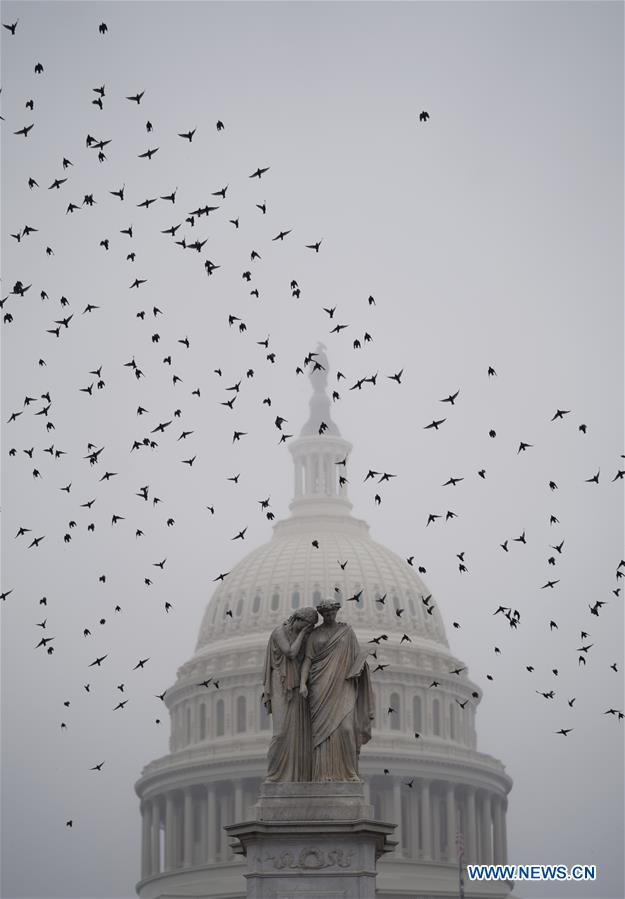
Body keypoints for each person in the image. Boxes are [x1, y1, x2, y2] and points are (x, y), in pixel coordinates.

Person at [299, 599, 375, 782]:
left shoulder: (347, 632)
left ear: (336, 612)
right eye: (325, 613)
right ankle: (322, 774)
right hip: (320, 686)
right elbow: (307, 660)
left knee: (347, 729)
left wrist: (360, 667)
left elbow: (356, 657)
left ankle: (349, 772)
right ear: (321, 614)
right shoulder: (315, 635)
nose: (329, 616)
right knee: (322, 734)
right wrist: (302, 683)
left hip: (344, 684)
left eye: (332, 612)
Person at [262, 606, 318, 782]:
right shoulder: (279, 632)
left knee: (297, 735)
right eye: (306, 625)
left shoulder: (305, 635)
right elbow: (291, 652)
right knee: (280, 733)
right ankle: (274, 775)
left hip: (296, 686)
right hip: (280, 682)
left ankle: (296, 776)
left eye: (310, 627)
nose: (307, 629)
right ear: (297, 619)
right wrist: (303, 634)